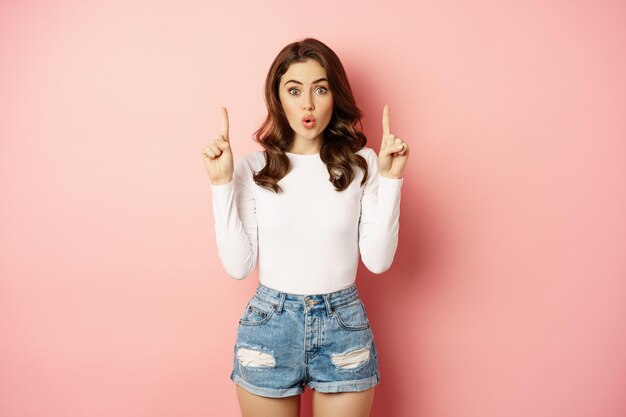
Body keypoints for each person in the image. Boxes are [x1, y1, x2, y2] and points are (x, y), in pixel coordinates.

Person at [201, 38, 409, 417]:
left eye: (320, 88)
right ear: (278, 98)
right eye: (294, 90)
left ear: (335, 95)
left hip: (342, 325)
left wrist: (392, 180)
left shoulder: (362, 164)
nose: (308, 104)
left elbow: (377, 261)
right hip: (269, 325)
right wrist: (221, 184)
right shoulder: (254, 168)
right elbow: (237, 267)